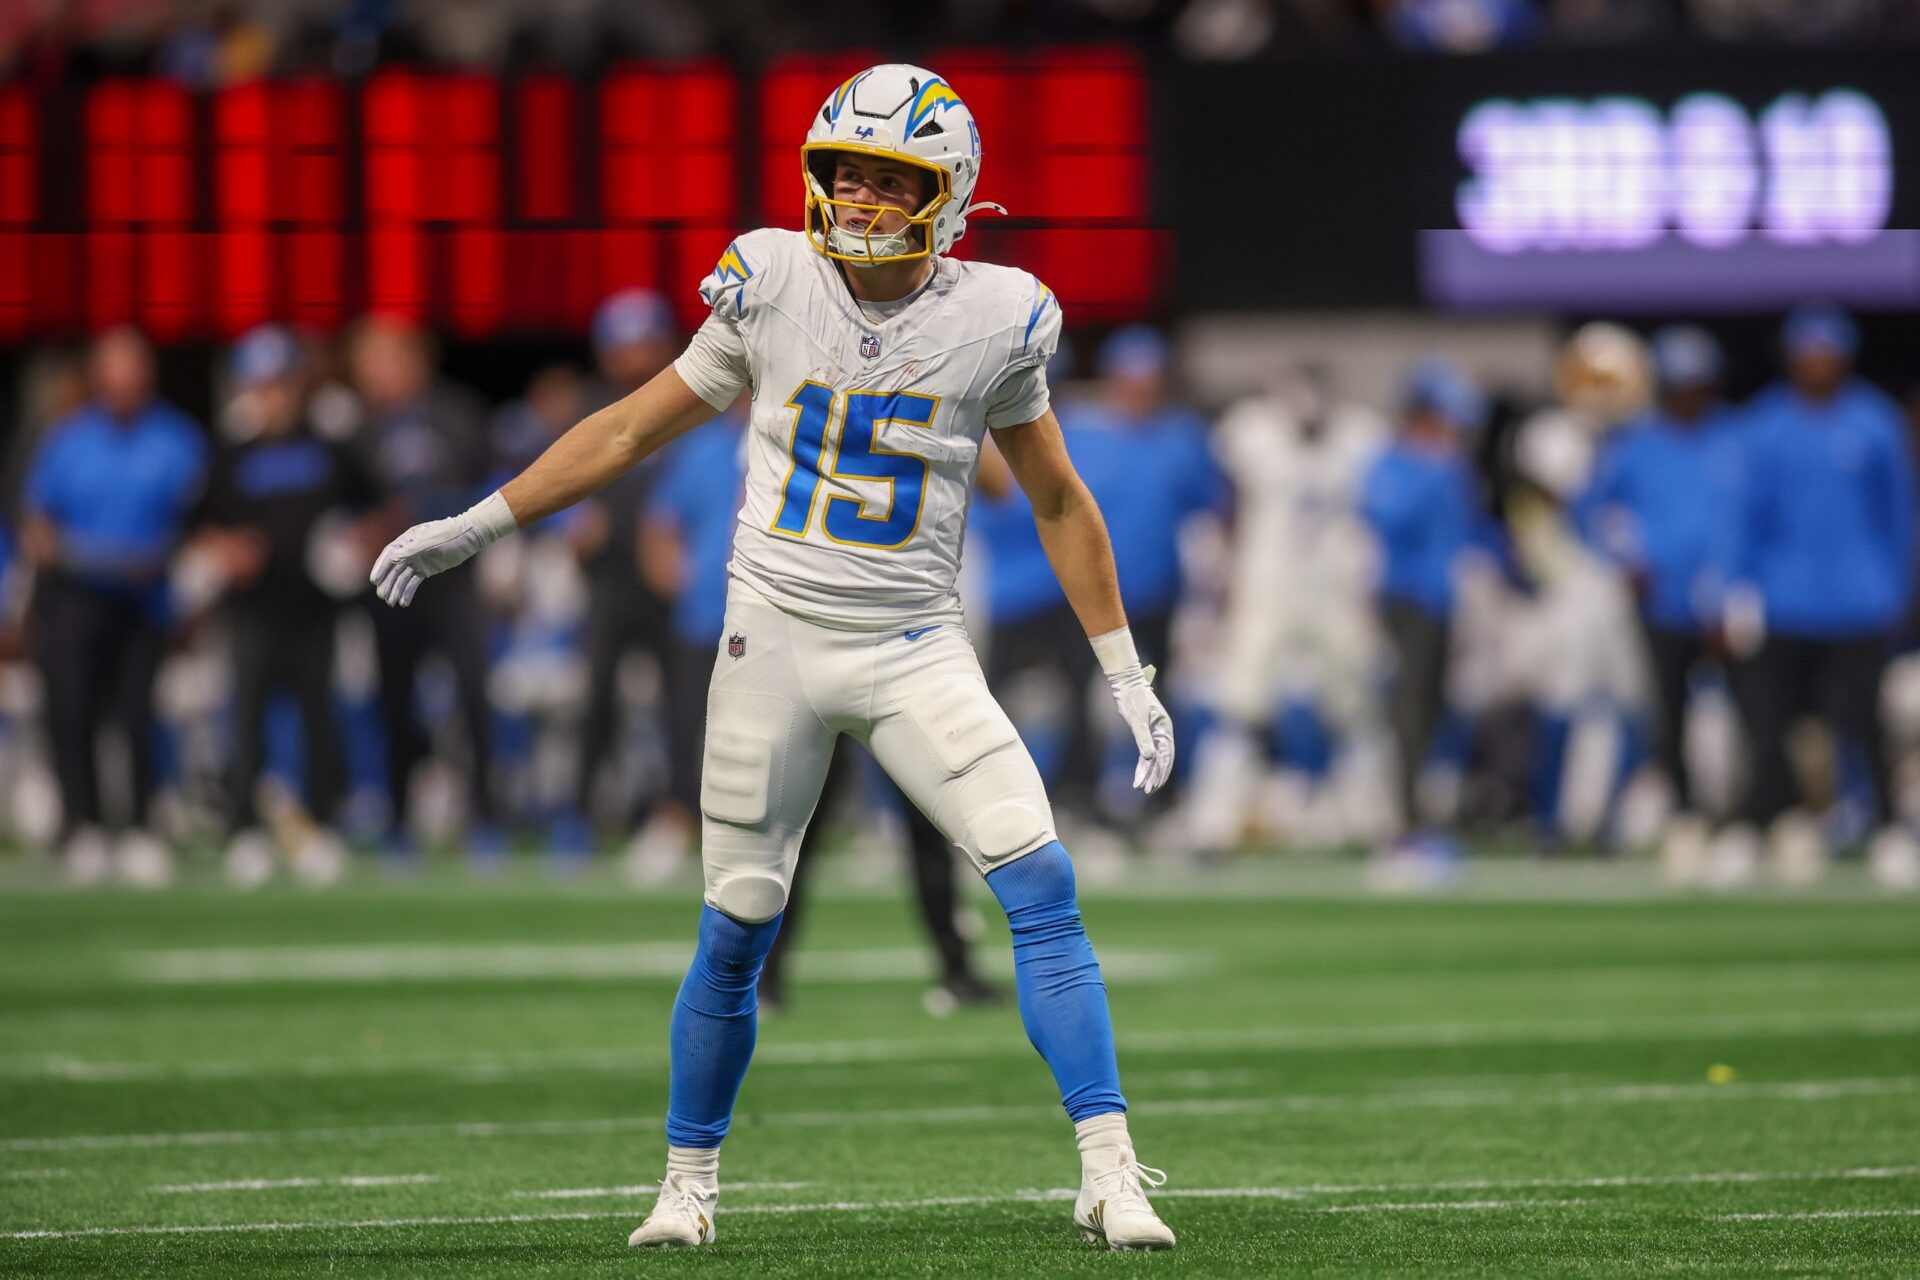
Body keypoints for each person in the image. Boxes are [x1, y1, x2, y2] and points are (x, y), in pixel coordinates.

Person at [369, 65, 1178, 1251]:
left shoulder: (1001, 314)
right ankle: (687, 1181)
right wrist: (482, 520)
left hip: (914, 646)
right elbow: (631, 424)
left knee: (1041, 881)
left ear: (947, 192)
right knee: (739, 922)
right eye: (842, 169)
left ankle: (1110, 1168)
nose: (853, 196)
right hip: (774, 640)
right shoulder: (770, 280)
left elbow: (1058, 499)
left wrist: (1125, 670)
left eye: (885, 176)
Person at [1727, 306, 1918, 884]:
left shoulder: (1874, 423)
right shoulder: (1765, 425)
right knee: (1768, 724)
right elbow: (1744, 516)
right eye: (1810, 352)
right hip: (1783, 599)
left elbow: (1898, 515)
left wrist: (1900, 587)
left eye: (1828, 352)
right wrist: (1736, 588)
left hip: (1858, 599)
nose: (1819, 363)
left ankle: (1888, 830)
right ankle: (1763, 826)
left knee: (1864, 722)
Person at [20, 326, 208, 885]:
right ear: (98, 376)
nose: (123, 379)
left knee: (138, 717)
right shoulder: (66, 441)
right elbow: (38, 525)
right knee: (72, 712)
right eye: (113, 367)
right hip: (76, 600)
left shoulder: (178, 440)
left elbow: (199, 521)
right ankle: (84, 828)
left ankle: (142, 829)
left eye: (133, 367)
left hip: (144, 599)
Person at [192, 326, 378, 881]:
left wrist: (354, 543)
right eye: (263, 385)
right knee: (245, 720)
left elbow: (380, 507)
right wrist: (225, 547)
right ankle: (243, 831)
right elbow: (197, 523)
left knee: (321, 718)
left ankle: (321, 825)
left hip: (316, 609)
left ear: (299, 386)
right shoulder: (231, 453)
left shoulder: (330, 448)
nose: (274, 396)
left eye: (282, 384)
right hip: (252, 608)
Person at [1578, 326, 1743, 860]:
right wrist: (1626, 558)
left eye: (1695, 385)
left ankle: (1751, 817)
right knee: (1668, 713)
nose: (1686, 396)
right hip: (1662, 602)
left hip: (1733, 603)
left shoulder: (1736, 441)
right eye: (1677, 385)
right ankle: (1685, 815)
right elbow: (1593, 511)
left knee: (1752, 712)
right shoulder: (1635, 445)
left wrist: (1741, 587)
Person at [346, 314, 502, 862]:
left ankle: (484, 816)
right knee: (394, 701)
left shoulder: (456, 413)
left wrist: (416, 513)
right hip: (393, 587)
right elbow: (346, 507)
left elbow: (487, 488)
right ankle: (397, 818)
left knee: (473, 698)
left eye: (381, 359)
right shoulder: (358, 428)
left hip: (455, 580)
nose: (372, 374)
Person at [577, 289, 694, 878]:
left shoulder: (695, 397)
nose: (631, 356)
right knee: (595, 695)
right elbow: (564, 484)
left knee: (687, 705)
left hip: (678, 585)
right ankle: (583, 812)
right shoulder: (592, 408)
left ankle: (679, 812)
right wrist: (574, 527)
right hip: (608, 581)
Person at [1359, 358, 1484, 851]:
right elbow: (1389, 516)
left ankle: (1430, 813)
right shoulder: (1395, 462)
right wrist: (1433, 468)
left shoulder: (1451, 465)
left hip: (1445, 599)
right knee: (1408, 710)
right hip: (1405, 598)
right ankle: (1404, 821)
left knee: (1437, 710)